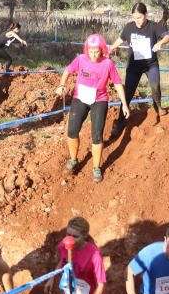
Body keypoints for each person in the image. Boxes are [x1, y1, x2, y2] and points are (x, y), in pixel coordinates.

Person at [55, 34, 129, 183]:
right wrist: (62, 84)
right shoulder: (80, 59)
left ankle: (96, 167)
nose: (94, 54)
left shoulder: (108, 63)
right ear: (86, 50)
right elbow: (68, 71)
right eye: (91, 51)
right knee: (72, 131)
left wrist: (124, 103)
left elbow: (117, 83)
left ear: (102, 50)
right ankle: (73, 159)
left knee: (96, 135)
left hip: (99, 100)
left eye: (96, 51)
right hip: (80, 98)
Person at [109, 3, 169, 138]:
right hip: (134, 67)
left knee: (155, 86)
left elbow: (168, 36)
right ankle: (120, 122)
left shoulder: (153, 26)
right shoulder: (129, 27)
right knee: (127, 94)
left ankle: (158, 107)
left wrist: (160, 43)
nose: (137, 20)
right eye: (134, 17)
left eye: (139, 17)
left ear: (145, 15)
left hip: (151, 64)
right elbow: (120, 39)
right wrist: (110, 49)